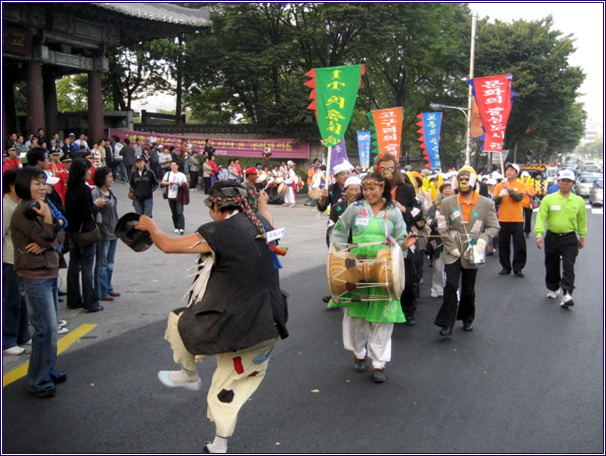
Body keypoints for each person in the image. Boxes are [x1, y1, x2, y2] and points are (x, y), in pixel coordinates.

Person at [135, 181, 288, 454]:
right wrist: (263, 203)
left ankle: (189, 374)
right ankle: (219, 443)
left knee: (178, 320)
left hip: (234, 326)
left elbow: (169, 245)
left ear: (217, 206)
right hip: (269, 323)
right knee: (230, 387)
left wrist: (151, 227)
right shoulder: (261, 223)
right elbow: (269, 216)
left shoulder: (219, 231)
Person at [328, 173, 417, 383]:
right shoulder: (356, 208)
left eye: (372, 188)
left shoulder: (393, 211)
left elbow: (402, 239)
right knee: (356, 316)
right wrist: (340, 256)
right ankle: (359, 353)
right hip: (356, 267)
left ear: (382, 187)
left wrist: (405, 245)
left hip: (384, 269)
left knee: (383, 318)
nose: (368, 193)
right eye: (365, 189)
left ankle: (379, 363)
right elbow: (339, 230)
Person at [10, 167, 67, 397]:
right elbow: (49, 234)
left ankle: (48, 369)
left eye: (44, 183)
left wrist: (48, 236)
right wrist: (48, 223)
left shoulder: (43, 206)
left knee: (50, 329)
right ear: (25, 185)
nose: (43, 187)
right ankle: (37, 379)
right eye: (37, 183)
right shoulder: (25, 210)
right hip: (34, 276)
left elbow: (60, 232)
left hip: (49, 270)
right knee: (45, 329)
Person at [433, 167, 500, 337]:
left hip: (474, 248)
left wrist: (484, 238)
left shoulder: (486, 203)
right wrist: (450, 246)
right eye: (460, 179)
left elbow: (494, 226)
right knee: (451, 285)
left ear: (473, 182)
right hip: (452, 248)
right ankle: (446, 323)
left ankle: (467, 318)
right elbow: (442, 226)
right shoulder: (448, 202)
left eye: (466, 179)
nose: (463, 182)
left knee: (469, 287)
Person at [534, 169, 587, 308]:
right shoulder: (549, 199)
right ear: (558, 182)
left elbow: (582, 220)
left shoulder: (578, 201)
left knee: (569, 266)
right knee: (551, 264)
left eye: (569, 181)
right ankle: (553, 287)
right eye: (563, 181)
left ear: (573, 184)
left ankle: (567, 294)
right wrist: (539, 234)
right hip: (552, 237)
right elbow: (541, 218)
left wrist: (582, 237)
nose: (566, 184)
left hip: (569, 238)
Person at [65, 158, 104, 312]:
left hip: (73, 230)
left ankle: (73, 298)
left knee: (74, 265)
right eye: (88, 169)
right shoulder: (83, 189)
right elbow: (87, 211)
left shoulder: (71, 187)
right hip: (85, 231)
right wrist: (96, 205)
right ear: (82, 171)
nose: (90, 172)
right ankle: (91, 302)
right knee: (87, 267)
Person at [3, 169, 32, 355]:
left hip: (22, 261)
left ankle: (23, 334)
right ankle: (7, 340)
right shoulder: (5, 207)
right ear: (13, 186)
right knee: (10, 301)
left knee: (22, 300)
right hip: (9, 261)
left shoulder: (21, 204)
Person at [492, 162, 527, 277]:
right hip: (503, 219)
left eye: (512, 171)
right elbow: (494, 201)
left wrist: (509, 189)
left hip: (517, 219)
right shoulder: (499, 185)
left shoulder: (521, 185)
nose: (509, 172)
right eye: (507, 170)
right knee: (503, 245)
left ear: (516, 173)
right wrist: (500, 196)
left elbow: (518, 198)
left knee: (519, 246)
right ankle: (505, 267)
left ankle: (518, 268)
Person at [91, 167, 120, 303]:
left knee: (110, 263)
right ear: (102, 179)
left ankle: (108, 287)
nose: (112, 179)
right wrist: (96, 206)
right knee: (102, 263)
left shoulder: (111, 192)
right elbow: (93, 211)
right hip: (103, 232)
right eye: (109, 177)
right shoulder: (96, 193)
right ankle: (101, 291)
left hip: (114, 231)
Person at [426, 181, 454, 299]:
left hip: (453, 239)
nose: (447, 191)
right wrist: (438, 222)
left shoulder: (457, 205)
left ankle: (452, 290)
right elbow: (429, 220)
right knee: (438, 266)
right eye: (445, 189)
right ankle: (437, 288)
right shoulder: (435, 207)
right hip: (438, 239)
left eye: (449, 188)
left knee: (453, 267)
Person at [162, 161, 187, 235]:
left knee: (179, 212)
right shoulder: (168, 174)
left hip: (179, 195)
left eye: (174, 165)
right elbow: (163, 182)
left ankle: (182, 228)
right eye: (172, 165)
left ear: (177, 166)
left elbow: (186, 184)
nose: (173, 167)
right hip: (170, 195)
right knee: (174, 212)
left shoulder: (181, 175)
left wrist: (180, 185)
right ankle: (176, 226)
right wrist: (169, 183)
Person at [519, 171, 536, 238]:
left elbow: (533, 195)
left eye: (526, 177)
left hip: (528, 204)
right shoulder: (519, 184)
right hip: (520, 204)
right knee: (520, 218)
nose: (525, 178)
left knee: (528, 218)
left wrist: (528, 192)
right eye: (524, 177)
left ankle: (527, 231)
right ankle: (520, 230)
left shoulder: (530, 185)